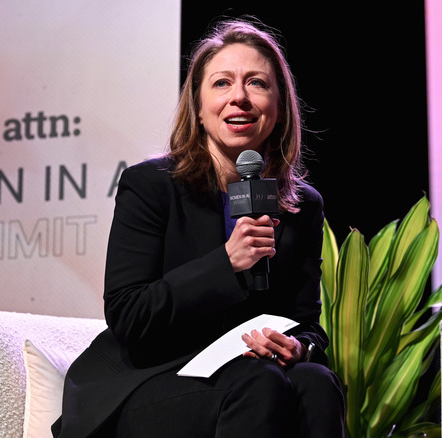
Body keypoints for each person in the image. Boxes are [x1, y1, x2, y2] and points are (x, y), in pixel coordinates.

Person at [52, 17, 346, 438]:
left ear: (279, 108)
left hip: (245, 378)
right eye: (222, 83)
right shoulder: (151, 186)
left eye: (258, 84)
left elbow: (305, 323)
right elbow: (129, 316)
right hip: (145, 383)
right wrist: (226, 264)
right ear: (199, 106)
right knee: (257, 383)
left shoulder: (300, 206)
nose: (239, 98)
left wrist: (298, 347)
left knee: (315, 383)